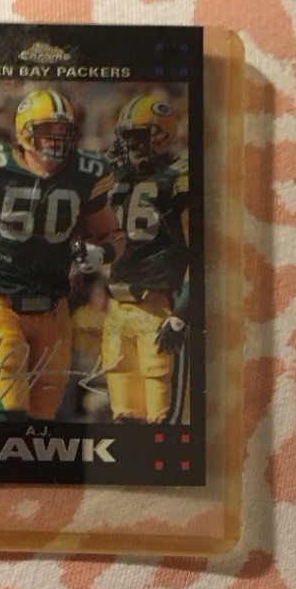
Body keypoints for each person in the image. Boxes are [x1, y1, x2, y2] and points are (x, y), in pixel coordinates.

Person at [0, 88, 124, 421]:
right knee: (8, 418)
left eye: (63, 130)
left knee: (40, 426)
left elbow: (114, 234)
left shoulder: (85, 171)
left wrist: (102, 253)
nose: (56, 139)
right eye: (47, 129)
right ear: (23, 131)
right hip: (1, 304)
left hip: (55, 308)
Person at [101, 93, 190, 423]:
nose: (129, 145)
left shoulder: (177, 179)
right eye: (126, 136)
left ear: (162, 137)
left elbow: (199, 253)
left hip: (159, 306)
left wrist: (182, 312)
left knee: (162, 421)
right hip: (117, 309)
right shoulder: (118, 177)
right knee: (124, 418)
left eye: (137, 136)